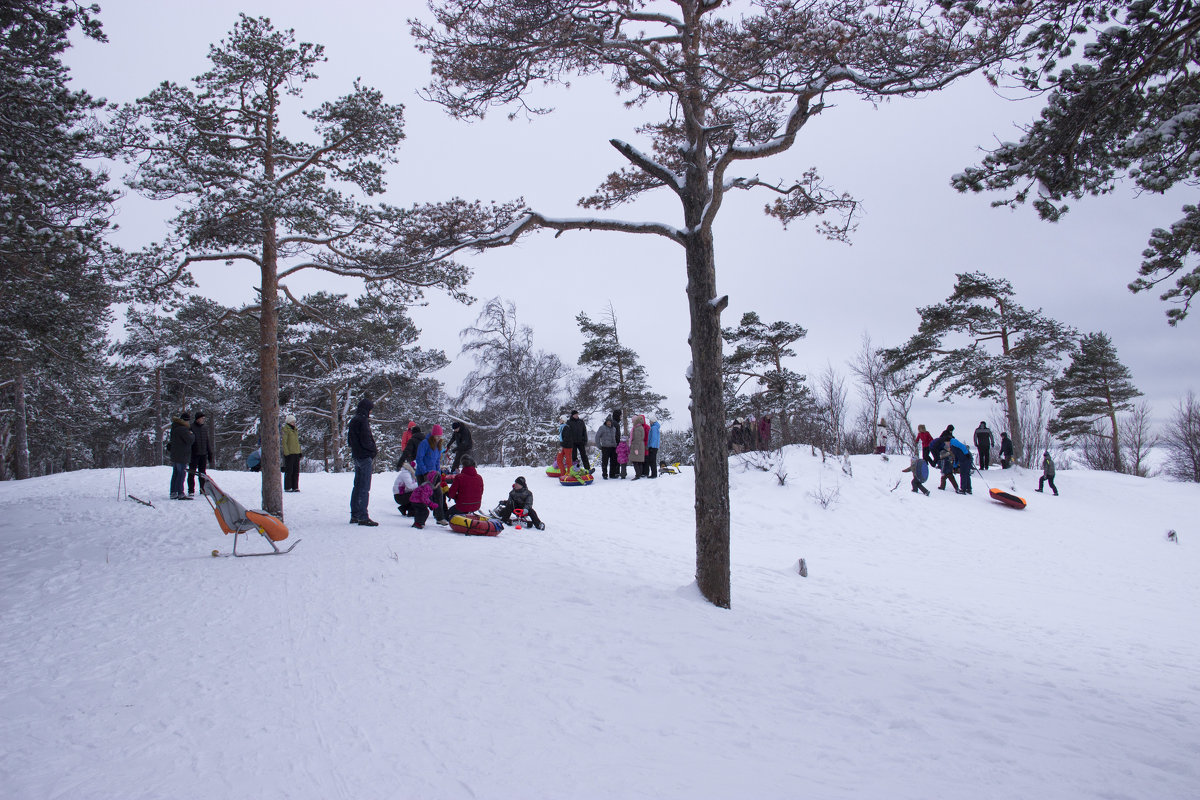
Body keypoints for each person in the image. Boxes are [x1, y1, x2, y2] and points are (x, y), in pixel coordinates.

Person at [347, 396, 379, 526]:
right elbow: (366, 440)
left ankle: (355, 514)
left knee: (357, 486)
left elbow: (350, 441)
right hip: (365, 457)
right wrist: (373, 450)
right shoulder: (363, 421)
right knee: (365, 487)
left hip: (356, 456)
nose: (371, 412)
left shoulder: (354, 420)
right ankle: (363, 516)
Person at [443, 455, 484, 520]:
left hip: (462, 506)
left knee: (446, 516)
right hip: (476, 506)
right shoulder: (479, 477)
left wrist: (454, 497)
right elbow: (481, 492)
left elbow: (451, 494)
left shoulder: (459, 477)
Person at [168, 412, 195, 500]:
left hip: (175, 454)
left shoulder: (175, 427)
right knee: (181, 474)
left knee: (175, 473)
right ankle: (180, 492)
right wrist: (192, 434)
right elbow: (190, 440)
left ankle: (173, 492)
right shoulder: (183, 429)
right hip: (182, 455)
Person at [187, 410, 213, 496]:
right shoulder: (191, 427)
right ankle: (191, 490)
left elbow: (207, 441)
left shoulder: (204, 427)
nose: (203, 420)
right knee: (192, 472)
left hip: (203, 453)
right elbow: (189, 442)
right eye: (202, 418)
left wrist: (209, 453)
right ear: (198, 419)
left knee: (202, 473)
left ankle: (203, 489)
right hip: (194, 454)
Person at [282, 413, 301, 492]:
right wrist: (287, 453)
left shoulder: (295, 430)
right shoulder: (286, 430)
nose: (294, 423)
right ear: (289, 422)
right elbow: (284, 442)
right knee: (289, 471)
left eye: (294, 422)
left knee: (296, 471)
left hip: (296, 453)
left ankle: (295, 486)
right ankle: (288, 487)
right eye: (292, 422)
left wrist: (299, 451)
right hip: (290, 454)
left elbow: (297, 442)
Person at [629, 413, 649, 479]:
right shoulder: (640, 427)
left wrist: (636, 448)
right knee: (639, 462)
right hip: (641, 446)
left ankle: (637, 475)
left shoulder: (637, 428)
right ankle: (639, 474)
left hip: (637, 446)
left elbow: (637, 439)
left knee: (635, 461)